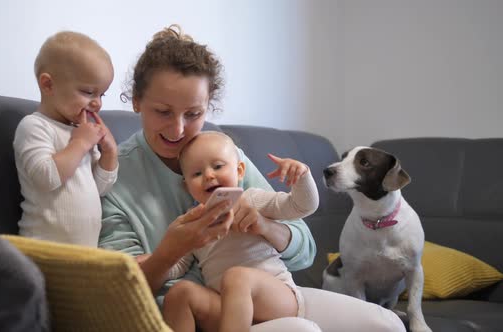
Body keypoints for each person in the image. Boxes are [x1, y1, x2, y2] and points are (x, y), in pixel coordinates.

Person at [98, 24, 405, 332]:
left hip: (269, 293)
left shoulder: (227, 158)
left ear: (208, 107)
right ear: (136, 101)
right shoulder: (113, 175)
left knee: (388, 325)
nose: (178, 130)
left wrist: (264, 226)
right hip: (198, 314)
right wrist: (170, 251)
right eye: (163, 112)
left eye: (193, 114)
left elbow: (305, 251)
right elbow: (121, 294)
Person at [162, 131, 320, 332]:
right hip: (228, 311)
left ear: (239, 171)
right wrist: (151, 262)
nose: (209, 175)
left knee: (236, 277)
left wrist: (301, 176)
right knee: (179, 293)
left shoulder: (252, 199)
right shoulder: (193, 221)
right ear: (187, 187)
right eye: (197, 174)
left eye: (218, 166)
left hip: (277, 299)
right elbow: (179, 264)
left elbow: (302, 206)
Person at [13, 31, 118, 247]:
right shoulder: (34, 126)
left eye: (102, 95)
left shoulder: (81, 131)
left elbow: (100, 188)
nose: (97, 103)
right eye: (89, 92)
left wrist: (110, 152)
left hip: (83, 253)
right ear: (48, 85)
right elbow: (46, 178)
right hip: (42, 249)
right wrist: (80, 143)